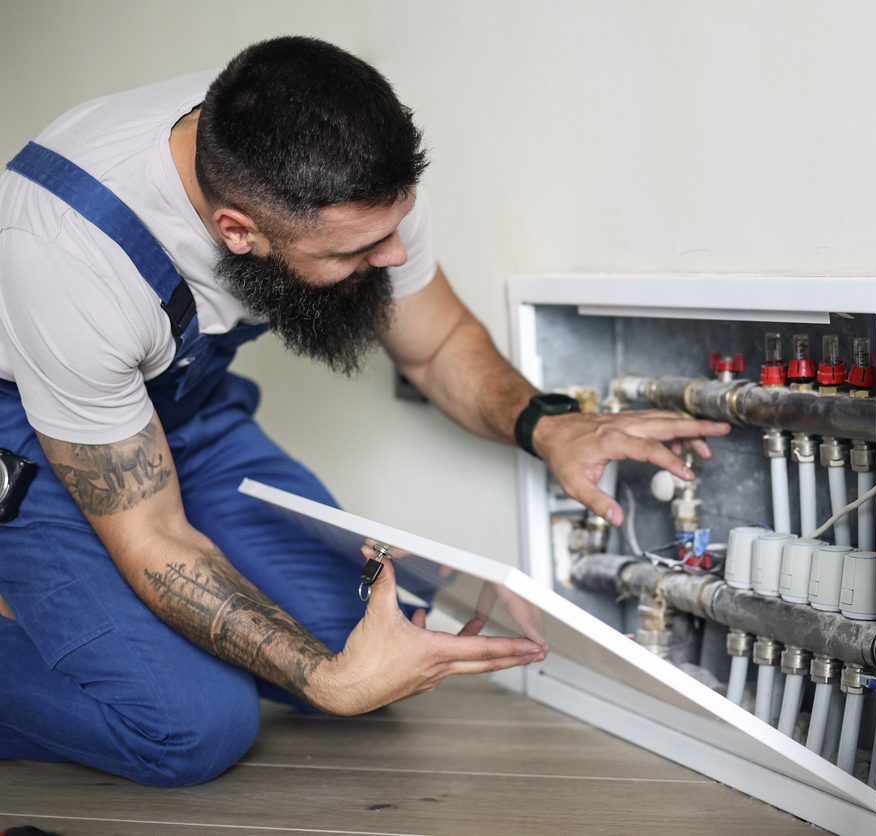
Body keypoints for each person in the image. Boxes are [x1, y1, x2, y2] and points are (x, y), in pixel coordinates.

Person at [0, 36, 728, 788]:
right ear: (237, 230)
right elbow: (153, 533)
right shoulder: (68, 255)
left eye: (394, 227)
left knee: (370, 642)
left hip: (185, 407)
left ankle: (106, 628)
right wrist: (328, 682)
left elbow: (435, 341)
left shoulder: (337, 155)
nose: (391, 256)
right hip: (37, 433)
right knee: (193, 726)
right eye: (357, 250)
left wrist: (550, 425)